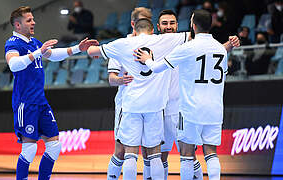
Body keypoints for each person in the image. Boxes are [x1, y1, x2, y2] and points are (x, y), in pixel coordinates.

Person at [88, 18, 192, 180]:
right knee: (155, 155)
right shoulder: (164, 40)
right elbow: (193, 36)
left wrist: (93, 50)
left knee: (130, 154)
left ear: (134, 31)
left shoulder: (123, 44)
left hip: (132, 106)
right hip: (155, 107)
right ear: (153, 30)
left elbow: (91, 52)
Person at [4, 6, 98, 180]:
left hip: (40, 102)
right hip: (26, 103)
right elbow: (14, 65)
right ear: (18, 25)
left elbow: (53, 55)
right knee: (30, 149)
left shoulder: (33, 42)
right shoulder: (12, 43)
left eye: (33, 19)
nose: (34, 22)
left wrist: (78, 48)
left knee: (54, 146)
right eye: (29, 20)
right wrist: (38, 52)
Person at [134, 9, 229, 180]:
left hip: (189, 108)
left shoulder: (187, 47)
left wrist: (147, 58)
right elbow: (224, 72)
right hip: (215, 109)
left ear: (192, 25)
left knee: (186, 155)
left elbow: (156, 67)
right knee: (211, 154)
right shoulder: (221, 50)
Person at [106, 7, 153, 180]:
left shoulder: (156, 43)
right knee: (121, 149)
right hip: (127, 104)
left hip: (151, 105)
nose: (146, 23)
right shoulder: (121, 45)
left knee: (150, 151)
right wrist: (121, 79)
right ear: (133, 24)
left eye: (149, 20)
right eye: (143, 20)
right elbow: (111, 78)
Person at [156, 9, 203, 180]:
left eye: (172, 23)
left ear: (177, 25)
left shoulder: (187, 41)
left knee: (189, 154)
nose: (169, 27)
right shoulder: (153, 42)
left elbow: (209, 46)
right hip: (158, 108)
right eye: (165, 23)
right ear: (157, 26)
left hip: (180, 108)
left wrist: (229, 46)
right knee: (160, 156)